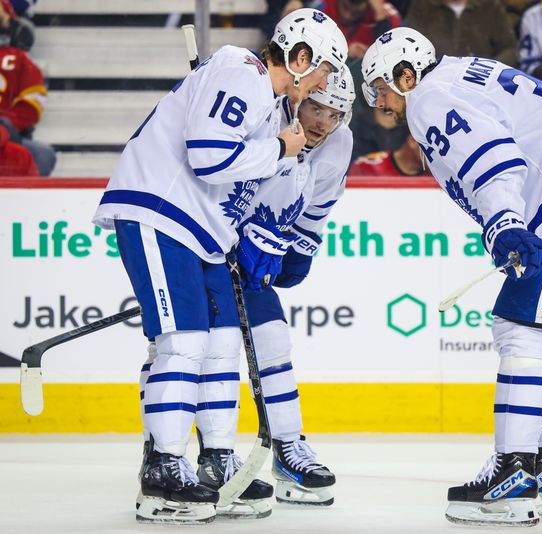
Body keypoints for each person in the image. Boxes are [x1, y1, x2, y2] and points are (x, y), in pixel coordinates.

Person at [362, 27, 542, 526]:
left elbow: (491, 153)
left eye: (384, 90)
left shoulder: (430, 96)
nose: (384, 105)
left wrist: (504, 220)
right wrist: (505, 218)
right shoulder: (456, 73)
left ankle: (513, 473)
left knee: (520, 328)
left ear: (406, 75)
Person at [92, 8, 347, 524]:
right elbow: (208, 155)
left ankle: (216, 461)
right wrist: (279, 148)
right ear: (299, 59)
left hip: (203, 233)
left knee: (224, 341)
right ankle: (163, 468)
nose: (323, 85)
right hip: (162, 214)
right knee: (183, 341)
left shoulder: (268, 99)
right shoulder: (242, 70)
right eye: (321, 71)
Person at [239, 67, 356, 506]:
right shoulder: (265, 120)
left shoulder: (339, 141)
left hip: (254, 253)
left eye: (335, 113)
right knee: (194, 353)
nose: (323, 123)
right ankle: (170, 454)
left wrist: (301, 247)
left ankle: (287, 448)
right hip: (211, 244)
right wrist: (240, 239)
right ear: (297, 99)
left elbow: (320, 199)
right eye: (316, 108)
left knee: (272, 339)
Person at [0, 0, 54, 175]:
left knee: (42, 154)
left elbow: (32, 107)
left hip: (8, 138)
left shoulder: (21, 61)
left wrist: (6, 125)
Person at [405, 0, 518, 67]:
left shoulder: (491, 7)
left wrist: (488, 69)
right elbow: (409, 48)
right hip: (435, 83)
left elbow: (509, 49)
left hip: (482, 84)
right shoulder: (422, 7)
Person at [320, 0, 401, 61]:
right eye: (345, 7)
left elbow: (389, 54)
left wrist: (381, 16)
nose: (347, 16)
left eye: (355, 12)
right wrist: (344, 50)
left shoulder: (384, 14)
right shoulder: (323, 3)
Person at [349, 132, 429, 176]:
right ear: (412, 141)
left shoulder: (438, 174)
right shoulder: (367, 166)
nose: (437, 154)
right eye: (431, 147)